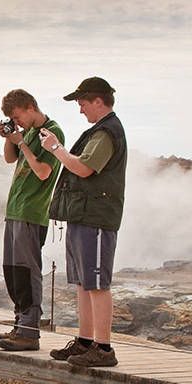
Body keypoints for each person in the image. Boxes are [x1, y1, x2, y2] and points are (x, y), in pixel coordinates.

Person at [41, 77, 127, 367]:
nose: (80, 110)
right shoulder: (100, 131)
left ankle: (103, 350)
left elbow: (84, 168)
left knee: (97, 283)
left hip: (96, 218)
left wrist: (56, 148)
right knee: (83, 282)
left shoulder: (106, 132)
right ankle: (85, 341)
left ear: (98, 101)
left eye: (82, 103)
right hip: (84, 215)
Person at [0, 89, 65, 352]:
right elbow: (11, 158)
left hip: (32, 211)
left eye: (17, 116)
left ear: (30, 106)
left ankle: (29, 332)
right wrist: (10, 139)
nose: (17, 121)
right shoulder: (29, 133)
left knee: (27, 270)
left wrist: (22, 141)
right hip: (15, 210)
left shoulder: (51, 131)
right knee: (13, 270)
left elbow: (44, 172)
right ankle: (20, 324)